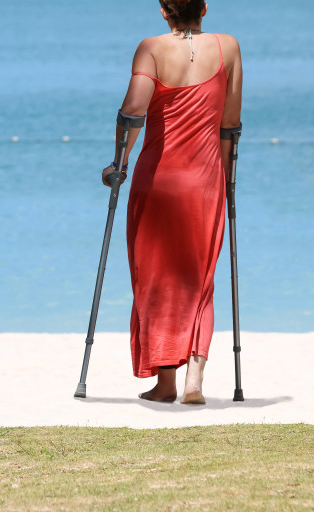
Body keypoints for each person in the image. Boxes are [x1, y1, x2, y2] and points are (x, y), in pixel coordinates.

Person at [101, 0, 243, 404]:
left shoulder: (151, 48)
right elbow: (230, 123)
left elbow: (132, 111)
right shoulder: (228, 47)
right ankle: (194, 382)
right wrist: (229, 179)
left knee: (154, 279)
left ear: (164, 11)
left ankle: (165, 383)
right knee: (201, 280)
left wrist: (118, 165)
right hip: (206, 182)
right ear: (204, 8)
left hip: (157, 182)